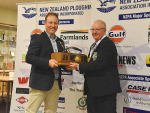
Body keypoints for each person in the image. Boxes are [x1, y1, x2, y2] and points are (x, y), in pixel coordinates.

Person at [69, 20, 122, 113]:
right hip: (94, 90)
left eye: (97, 29)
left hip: (105, 91)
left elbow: (98, 64)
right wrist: (76, 66)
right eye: (92, 29)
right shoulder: (94, 45)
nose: (94, 32)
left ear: (104, 30)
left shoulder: (107, 44)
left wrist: (78, 67)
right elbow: (90, 63)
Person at [25, 12, 68, 113]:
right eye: (50, 23)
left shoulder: (60, 42)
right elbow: (29, 57)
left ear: (58, 24)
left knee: (51, 112)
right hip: (39, 83)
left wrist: (67, 67)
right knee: (31, 111)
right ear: (45, 23)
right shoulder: (38, 38)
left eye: (55, 23)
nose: (53, 26)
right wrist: (47, 62)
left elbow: (60, 62)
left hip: (55, 84)